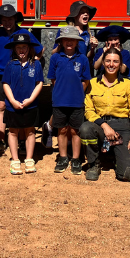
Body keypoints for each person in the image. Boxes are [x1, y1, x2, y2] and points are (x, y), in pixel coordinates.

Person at [0, 4, 43, 155]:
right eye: (4, 19)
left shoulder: (24, 33)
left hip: (21, 74)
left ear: (15, 19)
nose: (7, 22)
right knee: (2, 106)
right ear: (1, 21)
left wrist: (34, 62)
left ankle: (23, 141)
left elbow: (40, 49)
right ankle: (1, 140)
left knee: (22, 104)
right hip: (0, 74)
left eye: (10, 19)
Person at [79, 48, 130, 182]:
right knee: (85, 128)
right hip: (100, 126)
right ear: (102, 63)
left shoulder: (128, 84)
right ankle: (94, 163)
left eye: (115, 61)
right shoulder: (93, 83)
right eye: (108, 61)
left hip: (122, 126)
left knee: (128, 175)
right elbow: (88, 110)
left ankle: (116, 156)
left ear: (120, 64)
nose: (111, 64)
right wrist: (104, 126)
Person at [43, 0, 98, 141]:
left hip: (80, 73)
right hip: (65, 74)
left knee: (76, 107)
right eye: (82, 12)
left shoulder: (87, 34)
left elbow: (88, 58)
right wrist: (64, 43)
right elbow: (54, 52)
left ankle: (73, 140)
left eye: (87, 13)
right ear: (75, 15)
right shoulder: (65, 31)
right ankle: (49, 126)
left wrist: (92, 49)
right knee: (63, 105)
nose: (86, 14)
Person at [47, 25, 92, 175]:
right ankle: (63, 157)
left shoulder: (83, 58)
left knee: (75, 130)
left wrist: (76, 92)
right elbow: (53, 79)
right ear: (61, 42)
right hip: (60, 100)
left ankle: (76, 159)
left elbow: (85, 81)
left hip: (77, 101)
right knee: (62, 130)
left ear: (77, 42)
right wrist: (62, 90)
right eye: (65, 40)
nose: (69, 42)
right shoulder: (55, 58)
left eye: (72, 40)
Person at [1, 32, 43, 175]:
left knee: (30, 130)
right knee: (13, 131)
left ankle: (29, 158)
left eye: (24, 47)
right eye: (18, 47)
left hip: (30, 105)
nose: (21, 50)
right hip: (13, 105)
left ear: (29, 48)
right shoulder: (10, 64)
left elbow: (39, 83)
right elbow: (5, 84)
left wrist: (30, 99)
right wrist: (12, 101)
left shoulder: (36, 64)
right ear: (14, 49)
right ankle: (15, 159)